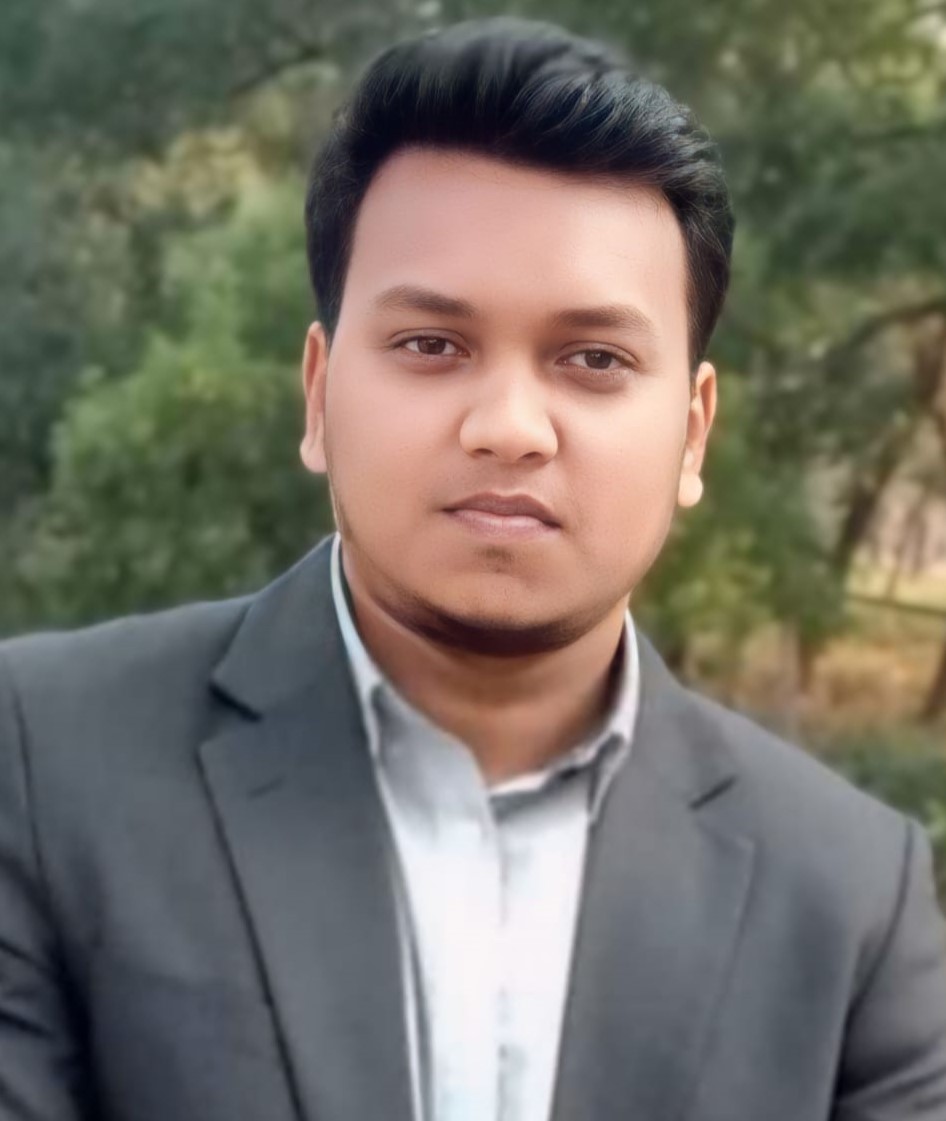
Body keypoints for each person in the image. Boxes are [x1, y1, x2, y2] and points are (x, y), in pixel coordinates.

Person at [1, 16, 944, 1121]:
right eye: (432, 346)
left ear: (692, 434)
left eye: (593, 359)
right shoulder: (41, 758)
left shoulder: (847, 892)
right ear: (318, 394)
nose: (508, 427)